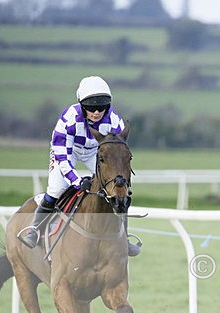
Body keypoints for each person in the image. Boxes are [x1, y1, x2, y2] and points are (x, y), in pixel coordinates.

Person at [18, 75, 141, 257]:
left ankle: (124, 238)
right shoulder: (69, 119)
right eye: (91, 108)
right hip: (68, 152)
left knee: (117, 190)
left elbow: (116, 152)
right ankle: (34, 230)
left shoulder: (115, 121)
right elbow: (62, 156)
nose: (97, 112)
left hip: (96, 152)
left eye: (102, 107)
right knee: (56, 188)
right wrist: (76, 181)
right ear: (82, 105)